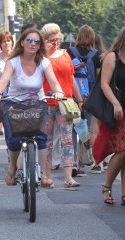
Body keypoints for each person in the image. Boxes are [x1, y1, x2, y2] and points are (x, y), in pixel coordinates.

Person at [0, 28, 64, 186]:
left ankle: (44, 174)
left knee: (41, 138)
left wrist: (58, 91)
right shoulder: (13, 62)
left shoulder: (44, 62)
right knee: (15, 139)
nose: (33, 44)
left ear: (40, 45)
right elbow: (4, 80)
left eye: (36, 42)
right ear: (22, 42)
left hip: (36, 104)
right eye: (29, 40)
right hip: (14, 103)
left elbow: (54, 81)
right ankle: (12, 168)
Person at [93, 25, 125, 207]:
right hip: (119, 112)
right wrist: (116, 103)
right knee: (122, 150)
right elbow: (104, 84)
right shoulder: (112, 57)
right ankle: (106, 187)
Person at [40, 23, 84, 189]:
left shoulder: (65, 55)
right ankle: (47, 176)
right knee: (47, 141)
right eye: (51, 40)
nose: (55, 43)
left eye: (58, 39)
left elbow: (71, 78)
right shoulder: (41, 57)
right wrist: (44, 50)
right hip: (46, 102)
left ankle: (68, 178)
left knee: (67, 140)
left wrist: (79, 99)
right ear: (44, 41)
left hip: (65, 103)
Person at [67, 25, 101, 176]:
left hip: (73, 96)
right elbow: (100, 78)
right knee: (85, 130)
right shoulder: (96, 55)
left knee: (72, 129)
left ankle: (72, 161)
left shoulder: (70, 52)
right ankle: (82, 165)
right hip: (90, 97)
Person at [89, 32, 107, 174]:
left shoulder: (94, 57)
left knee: (95, 129)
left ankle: (97, 162)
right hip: (107, 95)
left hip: (96, 95)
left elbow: (100, 78)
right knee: (105, 129)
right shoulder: (104, 56)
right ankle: (105, 160)